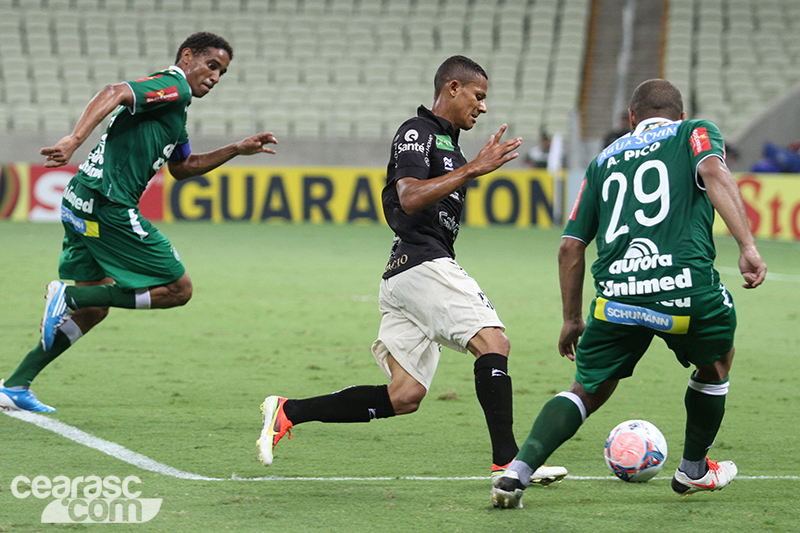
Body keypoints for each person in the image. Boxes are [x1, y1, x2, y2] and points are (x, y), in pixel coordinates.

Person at [257, 55, 567, 496]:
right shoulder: (417, 132)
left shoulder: (452, 148)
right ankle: (510, 462)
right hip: (422, 262)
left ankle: (288, 412)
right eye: (478, 97)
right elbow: (408, 196)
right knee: (493, 341)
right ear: (453, 88)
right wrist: (473, 169)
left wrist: (467, 165)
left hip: (404, 273)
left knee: (404, 395)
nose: (482, 107)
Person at [492, 79, 767, 508]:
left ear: (633, 118)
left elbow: (570, 246)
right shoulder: (694, 131)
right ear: (678, 114)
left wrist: (571, 318)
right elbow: (714, 171)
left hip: (618, 296)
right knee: (716, 363)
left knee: (587, 388)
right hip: (683, 290)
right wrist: (747, 247)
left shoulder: (604, 158)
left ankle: (516, 473)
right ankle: (693, 468)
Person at [0, 32, 278, 412]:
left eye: (222, 73)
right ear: (187, 56)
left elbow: (183, 167)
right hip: (107, 205)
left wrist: (237, 149)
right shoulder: (173, 87)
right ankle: (69, 295)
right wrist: (74, 139)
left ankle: (15, 385)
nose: (215, 77)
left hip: (82, 198)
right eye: (211, 66)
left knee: (94, 309)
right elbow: (114, 91)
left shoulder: (175, 112)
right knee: (178, 289)